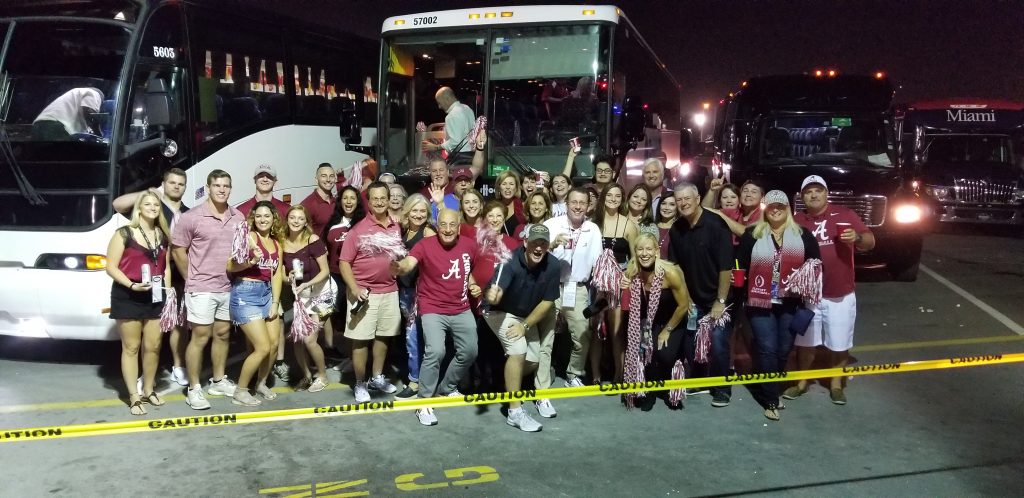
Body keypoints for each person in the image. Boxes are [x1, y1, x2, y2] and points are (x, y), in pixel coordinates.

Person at [787, 175, 875, 405]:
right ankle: (801, 383)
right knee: (805, 345)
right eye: (808, 192)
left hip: (840, 294)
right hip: (808, 297)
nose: (813, 195)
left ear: (827, 193)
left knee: (839, 344)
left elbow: (870, 240)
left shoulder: (845, 215)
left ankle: (836, 385)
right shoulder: (796, 220)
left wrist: (856, 237)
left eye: (818, 190)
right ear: (802, 196)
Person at [736, 190, 821, 420]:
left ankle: (766, 381)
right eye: (771, 206)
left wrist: (804, 280)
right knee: (767, 348)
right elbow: (739, 266)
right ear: (765, 209)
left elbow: (816, 263)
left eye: (780, 206)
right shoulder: (752, 234)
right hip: (759, 302)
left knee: (784, 349)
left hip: (790, 303)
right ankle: (771, 398)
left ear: (787, 209)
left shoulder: (802, 235)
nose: (775, 210)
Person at [393, 209, 482, 426]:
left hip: (461, 307)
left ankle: (447, 388)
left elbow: (469, 268)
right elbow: (410, 262)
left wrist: (471, 283)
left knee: (470, 351)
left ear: (459, 227)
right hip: (432, 307)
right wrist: (400, 267)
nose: (448, 229)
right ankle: (424, 402)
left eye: (452, 225)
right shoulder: (425, 245)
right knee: (435, 350)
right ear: (437, 226)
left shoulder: (469, 245)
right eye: (444, 225)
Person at [171, 170, 246, 410]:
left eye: (226, 186)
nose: (221, 190)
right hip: (201, 288)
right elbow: (177, 250)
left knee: (223, 334)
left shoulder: (238, 217)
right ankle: (193, 388)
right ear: (209, 187)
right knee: (200, 337)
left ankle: (218, 380)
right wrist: (190, 278)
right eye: (217, 185)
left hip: (227, 286)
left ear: (230, 189)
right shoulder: (192, 217)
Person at [112, 168, 190, 387]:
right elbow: (118, 204)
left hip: (177, 273)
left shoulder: (189, 213)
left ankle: (178, 366)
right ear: (163, 184)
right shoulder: (152, 205)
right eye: (171, 182)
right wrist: (149, 193)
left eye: (180, 184)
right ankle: (143, 377)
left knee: (178, 324)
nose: (176, 186)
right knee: (145, 331)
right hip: (150, 275)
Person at [485, 224, 562, 432]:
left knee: (533, 360)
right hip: (499, 311)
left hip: (524, 316)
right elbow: (497, 288)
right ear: (525, 242)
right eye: (534, 242)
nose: (538, 247)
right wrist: (494, 294)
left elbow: (547, 302)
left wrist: (525, 325)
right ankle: (514, 412)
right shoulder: (509, 261)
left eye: (543, 243)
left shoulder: (553, 265)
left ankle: (509, 380)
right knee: (518, 351)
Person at [667, 182, 735, 407]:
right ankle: (698, 379)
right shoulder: (677, 229)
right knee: (693, 343)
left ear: (698, 199)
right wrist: (686, 298)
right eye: (679, 200)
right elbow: (676, 267)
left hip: (718, 298)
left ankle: (722, 388)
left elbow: (726, 267)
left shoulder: (716, 225)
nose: (683, 203)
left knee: (718, 343)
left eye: (688, 198)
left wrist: (720, 301)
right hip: (692, 300)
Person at [106, 192, 171, 415]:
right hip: (128, 294)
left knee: (153, 346)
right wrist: (132, 286)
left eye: (156, 204)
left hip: (154, 294)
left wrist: (168, 293)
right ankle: (134, 395)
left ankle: (149, 389)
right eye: (148, 204)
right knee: (131, 347)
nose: (153, 207)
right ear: (139, 208)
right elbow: (111, 267)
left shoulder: (162, 235)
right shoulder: (124, 233)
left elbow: (166, 268)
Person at [339, 181, 402, 403]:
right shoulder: (358, 230)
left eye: (382, 198)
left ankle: (377, 376)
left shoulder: (396, 226)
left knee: (384, 336)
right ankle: (359, 382)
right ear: (369, 201)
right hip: (364, 294)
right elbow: (344, 262)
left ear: (388, 199)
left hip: (390, 291)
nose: (379, 202)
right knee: (361, 340)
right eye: (374, 198)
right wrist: (354, 289)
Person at [620, 232, 690, 411]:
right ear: (635, 252)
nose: (645, 253)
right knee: (645, 351)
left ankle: (669, 387)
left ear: (657, 251)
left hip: (673, 319)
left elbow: (683, 305)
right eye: (640, 249)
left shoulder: (670, 272)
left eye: (649, 249)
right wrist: (624, 288)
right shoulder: (632, 271)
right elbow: (628, 304)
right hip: (648, 322)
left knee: (665, 355)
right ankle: (649, 390)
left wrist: (667, 330)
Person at [226, 201, 285, 406]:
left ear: (273, 218)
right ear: (253, 218)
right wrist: (250, 262)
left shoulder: (277, 243)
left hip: (267, 294)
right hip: (245, 293)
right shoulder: (249, 237)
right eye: (258, 216)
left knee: (274, 345)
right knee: (261, 347)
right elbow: (230, 265)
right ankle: (240, 391)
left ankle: (260, 383)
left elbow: (276, 274)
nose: (262, 219)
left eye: (266, 216)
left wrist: (275, 302)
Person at [543, 188, 603, 388]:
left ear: (588, 206)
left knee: (583, 334)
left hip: (578, 289)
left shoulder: (593, 229)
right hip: (551, 288)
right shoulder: (551, 224)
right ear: (566, 204)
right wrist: (552, 244)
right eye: (574, 202)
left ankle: (574, 373)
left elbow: (598, 264)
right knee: (546, 335)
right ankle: (542, 376)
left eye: (582, 203)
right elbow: (535, 253)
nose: (578, 207)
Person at [280, 205, 334, 393]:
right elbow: (282, 276)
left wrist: (307, 283)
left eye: (300, 218)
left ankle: (323, 376)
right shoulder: (282, 242)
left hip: (321, 292)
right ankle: (306, 375)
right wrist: (290, 279)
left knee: (310, 339)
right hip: (302, 294)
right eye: (292, 217)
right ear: (287, 220)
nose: (296, 221)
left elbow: (325, 272)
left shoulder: (313, 240)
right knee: (297, 339)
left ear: (306, 222)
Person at [590, 183, 638, 385]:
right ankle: (595, 375)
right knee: (595, 330)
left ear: (622, 199)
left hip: (618, 285)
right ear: (603, 197)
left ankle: (620, 374)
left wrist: (627, 275)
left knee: (616, 331)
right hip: (596, 285)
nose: (613, 198)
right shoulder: (593, 222)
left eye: (618, 195)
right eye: (609, 195)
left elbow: (635, 258)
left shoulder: (628, 225)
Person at [395, 194, 436, 399]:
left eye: (422, 211)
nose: (418, 215)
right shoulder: (404, 230)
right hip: (404, 291)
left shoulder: (427, 232)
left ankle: (415, 381)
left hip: (420, 293)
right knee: (413, 336)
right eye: (415, 210)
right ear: (407, 211)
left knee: (414, 337)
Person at [323, 186, 367, 370]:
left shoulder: (363, 223)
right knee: (329, 314)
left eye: (352, 198)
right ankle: (329, 349)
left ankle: (352, 357)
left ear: (358, 201)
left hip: (356, 277)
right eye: (345, 198)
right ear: (340, 202)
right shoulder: (333, 224)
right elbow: (324, 251)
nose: (349, 202)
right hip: (334, 276)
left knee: (353, 317)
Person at [421, 86, 476, 161]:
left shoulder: (451, 116)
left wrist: (436, 147)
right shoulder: (467, 108)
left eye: (439, 103)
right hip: (472, 155)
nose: (439, 107)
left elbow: (455, 142)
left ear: (447, 99)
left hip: (459, 158)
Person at [32, 87, 103, 140]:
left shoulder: (76, 93)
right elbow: (88, 111)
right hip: (54, 126)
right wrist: (98, 132)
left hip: (38, 125)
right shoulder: (95, 93)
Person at [299, 163, 338, 236]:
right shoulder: (307, 204)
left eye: (331, 176)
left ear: (335, 179)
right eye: (324, 176)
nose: (328, 180)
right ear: (316, 180)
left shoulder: (337, 202)